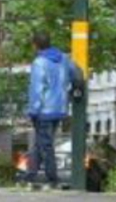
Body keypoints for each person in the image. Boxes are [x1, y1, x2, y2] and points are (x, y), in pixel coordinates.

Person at [24, 31, 81, 189]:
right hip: (59, 108)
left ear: (35, 45)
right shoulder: (64, 58)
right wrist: (73, 91)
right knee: (41, 143)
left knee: (46, 145)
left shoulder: (39, 63)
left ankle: (53, 179)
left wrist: (33, 111)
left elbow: (37, 90)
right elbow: (77, 74)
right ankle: (29, 176)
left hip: (44, 110)